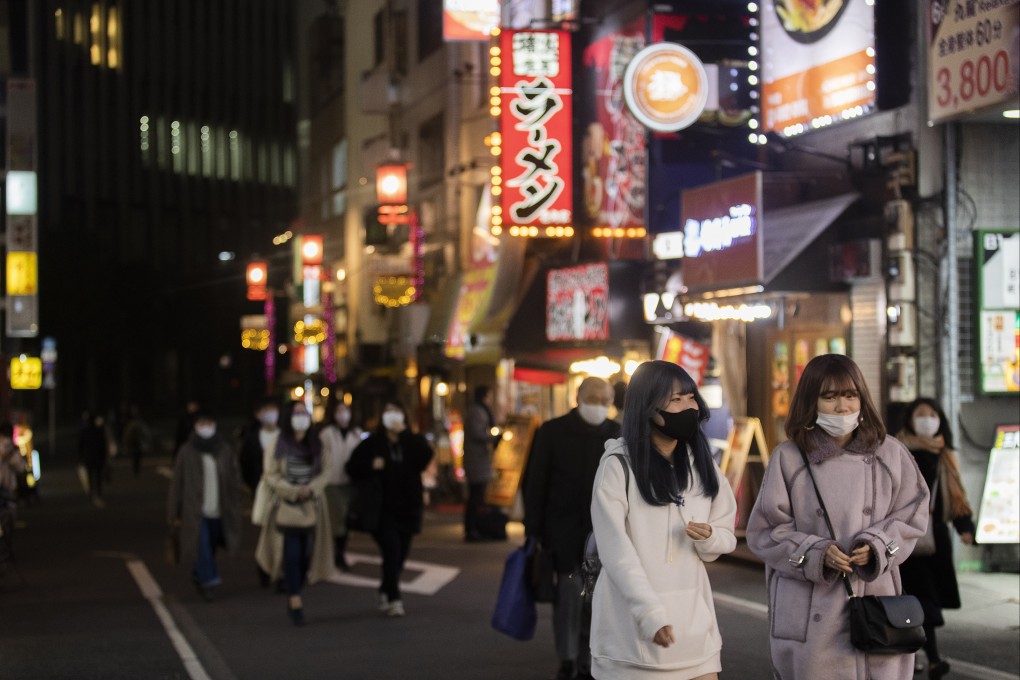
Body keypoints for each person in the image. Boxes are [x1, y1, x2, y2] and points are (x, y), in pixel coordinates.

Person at [746, 354, 929, 680]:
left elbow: (914, 512)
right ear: (810, 401)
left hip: (875, 601)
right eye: (829, 397)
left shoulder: (890, 453)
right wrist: (815, 553)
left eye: (850, 395)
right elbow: (765, 530)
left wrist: (878, 545)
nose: (842, 407)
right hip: (810, 609)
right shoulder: (789, 457)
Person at [589, 361, 737, 680]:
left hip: (696, 638)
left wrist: (710, 537)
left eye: (690, 397)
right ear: (647, 408)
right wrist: (650, 614)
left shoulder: (704, 466)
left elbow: (725, 537)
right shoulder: (617, 467)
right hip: (629, 641)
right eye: (675, 400)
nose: (688, 407)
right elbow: (616, 553)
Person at [524, 377, 621, 680]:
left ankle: (588, 661)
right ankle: (567, 659)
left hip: (605, 533)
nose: (598, 405)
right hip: (562, 532)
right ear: (578, 397)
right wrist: (534, 530)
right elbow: (534, 482)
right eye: (593, 398)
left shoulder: (618, 435)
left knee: (598, 602)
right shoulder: (552, 431)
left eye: (604, 400)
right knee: (568, 599)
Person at [896, 397, 976, 680]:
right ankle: (930, 658)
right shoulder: (897, 451)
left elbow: (956, 497)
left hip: (935, 540)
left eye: (932, 414)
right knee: (913, 600)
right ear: (909, 419)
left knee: (922, 601)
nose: (927, 419)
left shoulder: (945, 455)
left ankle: (918, 655)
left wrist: (964, 526)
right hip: (904, 537)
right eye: (921, 414)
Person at [346, 399, 434, 618]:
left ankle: (385, 588)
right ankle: (394, 598)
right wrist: (371, 466)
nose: (392, 416)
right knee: (392, 551)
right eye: (388, 411)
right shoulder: (373, 443)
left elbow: (425, 456)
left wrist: (404, 434)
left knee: (401, 554)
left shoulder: (412, 441)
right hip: (381, 509)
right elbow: (352, 467)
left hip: (408, 506)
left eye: (396, 411)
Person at [255, 400, 335, 626]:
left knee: (307, 554)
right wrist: (292, 491)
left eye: (304, 413)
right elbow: (270, 475)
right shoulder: (278, 444)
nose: (301, 417)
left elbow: (327, 471)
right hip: (286, 506)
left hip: (313, 506)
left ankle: (296, 587)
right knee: (291, 554)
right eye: (297, 413)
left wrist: (311, 488)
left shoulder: (317, 443)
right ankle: (294, 598)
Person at [167, 410, 244, 602]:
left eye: (209, 423)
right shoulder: (187, 451)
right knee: (202, 545)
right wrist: (173, 512)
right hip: (195, 510)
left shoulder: (224, 450)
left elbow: (234, 479)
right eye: (202, 423)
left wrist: (237, 501)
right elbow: (177, 483)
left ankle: (198, 573)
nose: (206, 427)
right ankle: (210, 581)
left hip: (220, 509)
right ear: (195, 426)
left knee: (211, 545)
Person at [240, 397, 281, 588]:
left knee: (282, 530)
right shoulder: (252, 437)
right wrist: (251, 486)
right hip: (262, 489)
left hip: (284, 491)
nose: (271, 413)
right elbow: (245, 464)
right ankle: (265, 566)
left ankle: (280, 570)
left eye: (273, 409)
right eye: (266, 409)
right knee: (266, 530)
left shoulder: (285, 436)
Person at [319, 393, 363, 571]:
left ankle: (340, 552)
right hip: (332, 482)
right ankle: (337, 554)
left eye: (345, 411)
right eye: (339, 411)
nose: (342, 415)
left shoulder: (356, 433)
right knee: (336, 520)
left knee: (346, 520)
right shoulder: (326, 434)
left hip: (350, 482)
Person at [463, 385, 499, 542]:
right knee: (476, 496)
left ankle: (475, 528)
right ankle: (472, 529)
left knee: (477, 496)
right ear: (485, 396)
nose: (491, 400)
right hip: (476, 460)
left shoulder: (477, 410)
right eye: (490, 396)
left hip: (478, 460)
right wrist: (494, 437)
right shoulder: (477, 411)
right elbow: (478, 433)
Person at [78, 412, 110, 508]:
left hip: (89, 457)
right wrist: (104, 457)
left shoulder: (85, 431)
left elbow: (80, 446)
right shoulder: (99, 431)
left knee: (90, 476)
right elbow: (103, 445)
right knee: (98, 476)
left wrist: (81, 457)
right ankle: (98, 493)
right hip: (98, 457)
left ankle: (92, 493)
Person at [121, 404, 152, 478]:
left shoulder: (131, 424)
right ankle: (136, 470)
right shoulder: (139, 424)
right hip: (137, 443)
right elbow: (145, 433)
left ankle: (136, 470)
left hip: (135, 443)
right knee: (137, 458)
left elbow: (127, 435)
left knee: (135, 458)